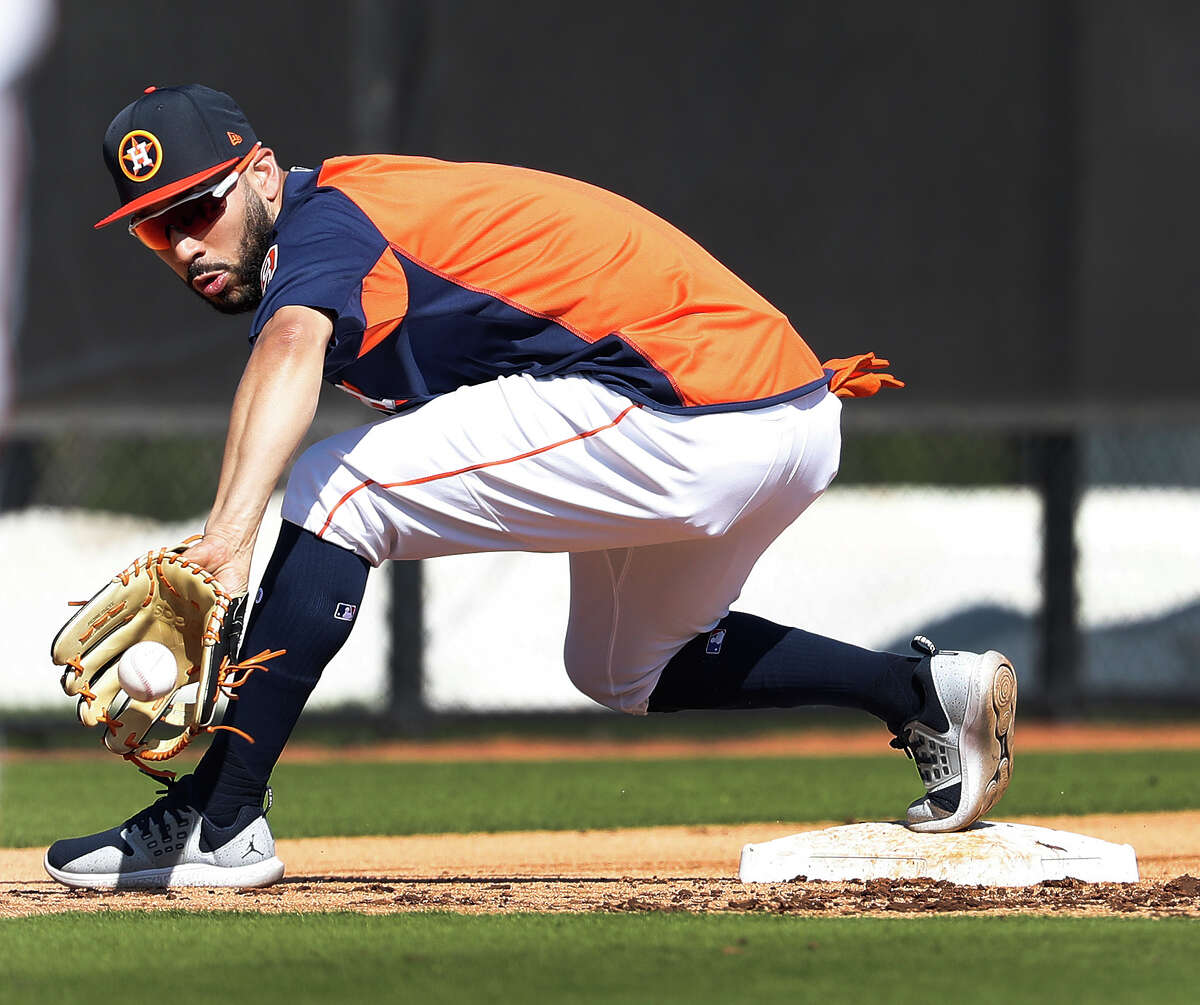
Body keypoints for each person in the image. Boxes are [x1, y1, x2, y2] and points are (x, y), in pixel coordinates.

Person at [44, 85, 1016, 889]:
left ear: (261, 174)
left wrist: (224, 543)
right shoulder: (353, 228)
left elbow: (295, 346)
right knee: (620, 667)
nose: (182, 244)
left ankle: (220, 819)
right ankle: (923, 693)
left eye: (195, 208)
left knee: (338, 490)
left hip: (694, 411)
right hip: (772, 418)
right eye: (152, 230)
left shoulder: (326, 225)